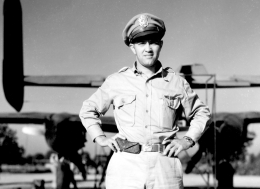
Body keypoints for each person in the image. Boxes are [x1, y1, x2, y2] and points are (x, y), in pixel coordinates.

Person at [79, 13, 211, 189]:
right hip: (125, 167)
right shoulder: (116, 81)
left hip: (165, 168)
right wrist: (100, 137)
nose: (148, 48)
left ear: (161, 45)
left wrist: (187, 140)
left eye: (153, 41)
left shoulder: (177, 82)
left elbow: (201, 112)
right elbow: (88, 109)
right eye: (141, 43)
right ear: (133, 48)